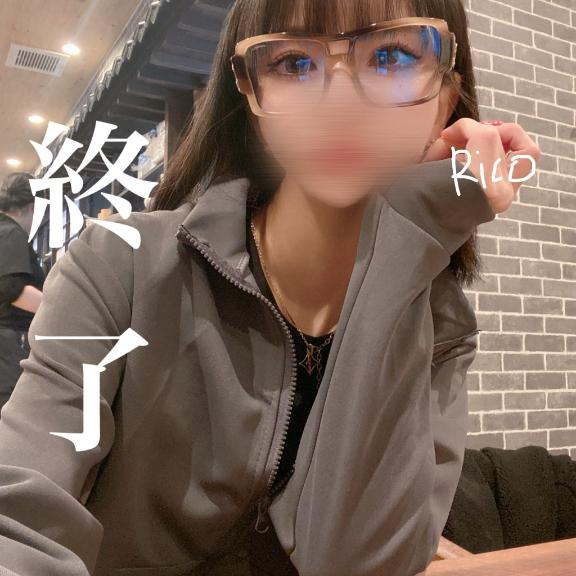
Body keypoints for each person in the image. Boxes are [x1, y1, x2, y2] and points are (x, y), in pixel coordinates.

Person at [0, 1, 540, 575]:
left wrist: (412, 240)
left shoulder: (439, 325)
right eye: (293, 63)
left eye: (390, 56)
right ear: (250, 95)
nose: (339, 101)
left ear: (446, 101)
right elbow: (19, 514)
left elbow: (356, 564)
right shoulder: (120, 267)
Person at [0, 172, 44, 412]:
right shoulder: (11, 233)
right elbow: (12, 289)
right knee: (12, 412)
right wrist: (59, 310)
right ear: (31, 206)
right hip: (9, 344)